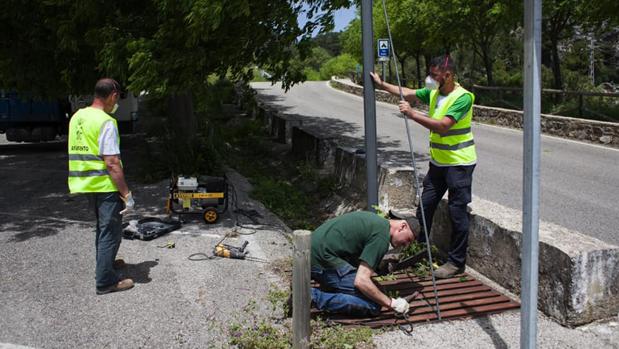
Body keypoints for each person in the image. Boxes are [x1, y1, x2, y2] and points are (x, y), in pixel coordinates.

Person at [370, 55, 476, 279]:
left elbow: (443, 127)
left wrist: (411, 113)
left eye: (435, 75)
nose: (430, 79)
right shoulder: (434, 93)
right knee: (425, 206)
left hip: (459, 164)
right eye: (430, 74)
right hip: (438, 163)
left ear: (448, 75)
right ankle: (419, 249)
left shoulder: (463, 97)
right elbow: (407, 92)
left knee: (457, 213)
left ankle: (456, 263)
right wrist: (381, 84)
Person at [68, 78, 136, 295]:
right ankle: (105, 281)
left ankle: (106, 265)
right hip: (105, 185)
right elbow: (112, 162)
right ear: (113, 96)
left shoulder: (78, 116)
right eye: (118, 98)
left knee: (103, 229)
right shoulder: (106, 121)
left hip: (87, 183)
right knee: (111, 231)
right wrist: (126, 193)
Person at [310, 210, 417, 317]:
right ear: (402, 227)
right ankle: (309, 297)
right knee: (374, 305)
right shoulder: (381, 237)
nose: (405, 245)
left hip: (310, 252)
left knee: (376, 292)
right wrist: (392, 304)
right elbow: (361, 281)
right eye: (408, 239)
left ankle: (328, 289)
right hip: (320, 260)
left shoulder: (377, 223)